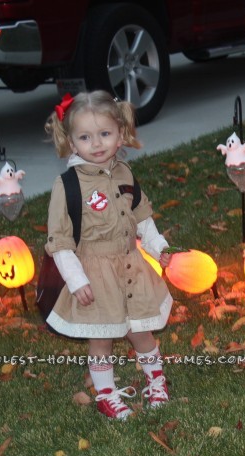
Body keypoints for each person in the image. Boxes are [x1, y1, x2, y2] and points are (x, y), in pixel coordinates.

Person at [44, 90, 173, 420]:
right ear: (72, 142)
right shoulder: (67, 185)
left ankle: (156, 380)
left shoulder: (125, 173)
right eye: (85, 137)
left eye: (104, 134)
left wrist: (157, 247)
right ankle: (106, 394)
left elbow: (141, 216)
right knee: (101, 339)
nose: (96, 143)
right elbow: (59, 242)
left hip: (131, 265)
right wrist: (76, 280)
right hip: (94, 273)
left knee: (140, 329)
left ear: (119, 134)